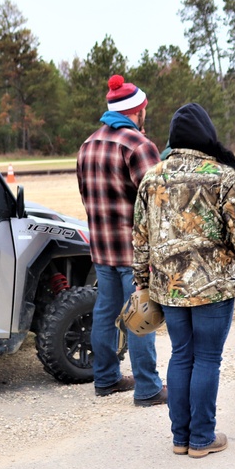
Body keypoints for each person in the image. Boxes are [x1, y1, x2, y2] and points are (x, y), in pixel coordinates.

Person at [132, 103, 235, 457]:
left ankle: (180, 437)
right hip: (213, 286)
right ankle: (201, 438)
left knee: (181, 354)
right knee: (207, 358)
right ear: (207, 135)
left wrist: (142, 281)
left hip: (169, 287)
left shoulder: (153, 177)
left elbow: (140, 238)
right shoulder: (223, 176)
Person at [76, 74, 166, 406]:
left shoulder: (87, 145)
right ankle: (148, 388)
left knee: (106, 312)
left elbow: (86, 197)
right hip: (135, 252)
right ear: (137, 110)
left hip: (101, 248)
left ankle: (106, 378)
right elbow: (159, 203)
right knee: (141, 315)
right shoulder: (139, 146)